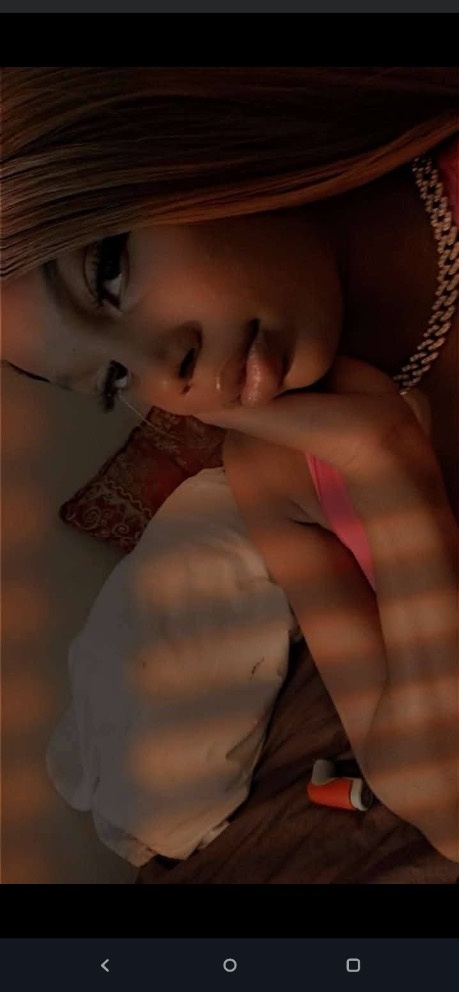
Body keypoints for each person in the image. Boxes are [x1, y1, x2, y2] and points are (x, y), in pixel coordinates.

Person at [2, 67, 458, 863]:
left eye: (107, 274)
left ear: (180, 144)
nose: (164, 373)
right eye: (114, 379)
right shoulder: (276, 473)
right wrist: (386, 468)